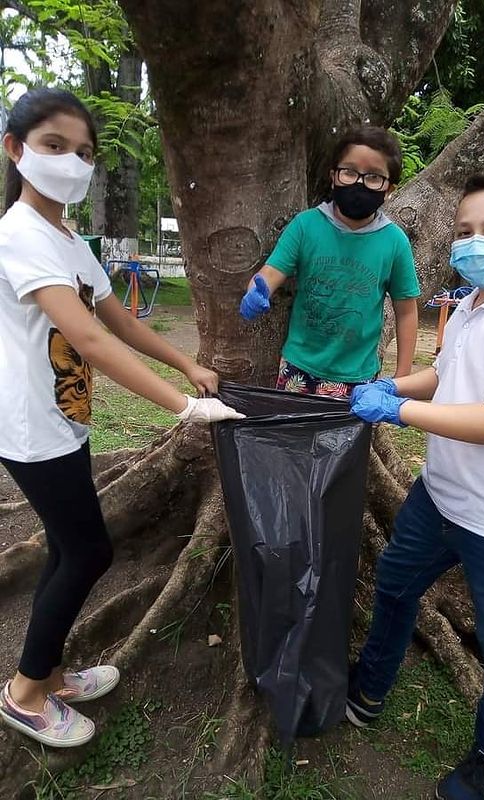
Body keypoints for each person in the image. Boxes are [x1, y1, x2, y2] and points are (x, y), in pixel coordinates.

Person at [0, 88, 244, 748]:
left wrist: (185, 364)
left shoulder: (70, 242)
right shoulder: (19, 237)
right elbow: (92, 342)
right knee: (87, 551)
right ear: (15, 149)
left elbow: (121, 323)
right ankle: (25, 694)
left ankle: (46, 674)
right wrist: (184, 406)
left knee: (67, 546)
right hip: (30, 429)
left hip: (64, 424)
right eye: (54, 146)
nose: (72, 163)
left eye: (84, 152)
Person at [347, 174, 484, 800]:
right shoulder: (474, 304)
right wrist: (398, 385)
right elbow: (448, 374)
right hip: (439, 496)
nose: (477, 243)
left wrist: (398, 413)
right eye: (466, 232)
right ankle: (368, 689)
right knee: (393, 588)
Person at [239, 126, 420, 397]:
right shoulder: (305, 226)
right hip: (298, 368)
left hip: (359, 377)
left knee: (347, 440)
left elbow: (406, 312)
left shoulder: (394, 242)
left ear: (389, 189)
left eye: (373, 177)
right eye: (349, 171)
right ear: (333, 176)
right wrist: (255, 291)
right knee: (292, 437)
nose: (359, 182)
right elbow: (269, 274)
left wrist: (402, 379)